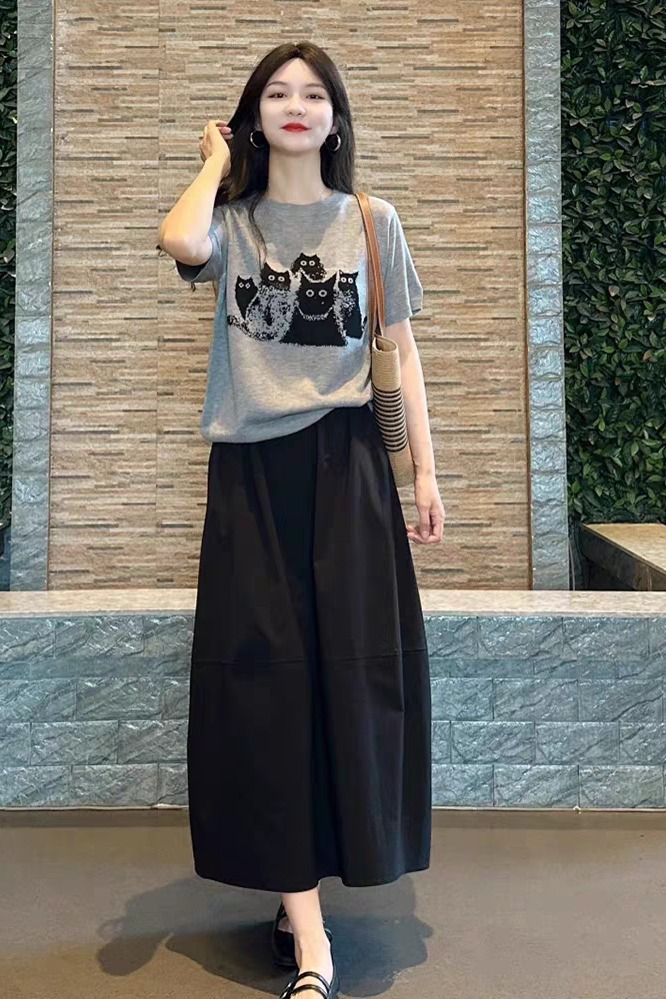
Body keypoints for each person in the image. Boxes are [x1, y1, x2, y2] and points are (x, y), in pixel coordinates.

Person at [157, 39, 445, 999]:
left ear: (335, 118)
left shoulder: (372, 220)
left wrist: (424, 474)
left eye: (313, 94)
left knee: (352, 681)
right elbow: (179, 241)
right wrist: (215, 162)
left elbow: (400, 352)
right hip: (253, 477)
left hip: (351, 467)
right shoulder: (231, 223)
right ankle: (313, 939)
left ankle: (303, 895)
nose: (295, 105)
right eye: (277, 93)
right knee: (267, 688)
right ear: (254, 117)